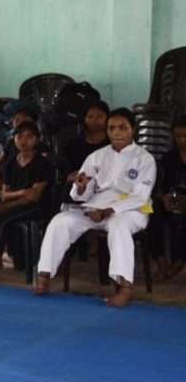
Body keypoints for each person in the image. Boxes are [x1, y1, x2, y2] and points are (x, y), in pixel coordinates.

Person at [35, 108, 155, 307]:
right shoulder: (97, 156)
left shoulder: (144, 159)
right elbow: (82, 192)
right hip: (96, 207)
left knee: (119, 227)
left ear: (132, 130)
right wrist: (81, 187)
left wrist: (109, 211)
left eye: (122, 128)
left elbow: (140, 196)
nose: (116, 132)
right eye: (112, 128)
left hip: (131, 210)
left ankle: (125, 287)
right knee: (60, 221)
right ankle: (44, 274)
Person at [0, 122, 54, 284]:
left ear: (37, 140)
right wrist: (21, 192)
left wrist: (6, 204)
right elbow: (3, 194)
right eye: (19, 136)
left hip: (37, 207)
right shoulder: (10, 162)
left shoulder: (43, 163)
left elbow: (34, 197)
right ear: (14, 139)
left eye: (29, 136)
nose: (24, 140)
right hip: (16, 202)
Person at [153, 116, 186, 279]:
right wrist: (164, 197)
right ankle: (160, 260)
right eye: (178, 136)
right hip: (170, 200)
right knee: (153, 212)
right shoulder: (168, 158)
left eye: (185, 136)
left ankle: (179, 261)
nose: (182, 140)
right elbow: (157, 186)